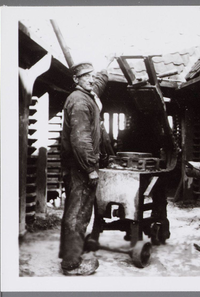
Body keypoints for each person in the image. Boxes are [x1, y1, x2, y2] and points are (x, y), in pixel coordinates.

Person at [59, 61, 110, 276]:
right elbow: (81, 140)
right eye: (86, 76)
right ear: (76, 80)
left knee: (74, 211)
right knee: (78, 213)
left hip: (76, 165)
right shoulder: (80, 102)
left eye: (92, 75)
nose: (91, 79)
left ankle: (68, 254)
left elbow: (98, 83)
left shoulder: (85, 95)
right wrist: (90, 168)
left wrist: (107, 68)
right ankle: (71, 264)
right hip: (80, 166)